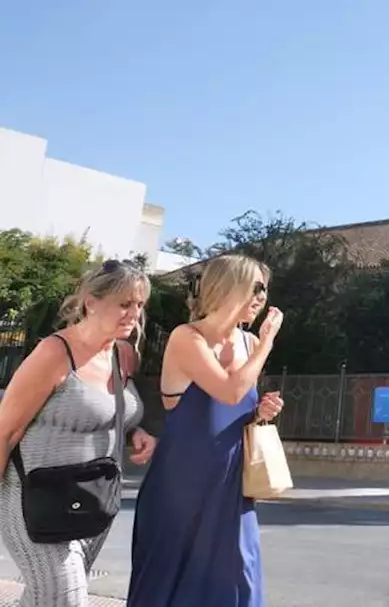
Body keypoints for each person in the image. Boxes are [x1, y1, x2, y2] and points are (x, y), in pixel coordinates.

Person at [128, 254, 285, 607]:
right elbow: (229, 391)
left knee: (239, 578)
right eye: (256, 287)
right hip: (180, 486)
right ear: (228, 287)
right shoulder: (187, 337)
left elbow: (235, 408)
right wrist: (267, 344)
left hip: (231, 485)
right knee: (170, 584)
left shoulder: (247, 343)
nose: (262, 298)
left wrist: (260, 413)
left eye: (265, 290)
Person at [0, 260, 158, 606]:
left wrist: (136, 431)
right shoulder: (54, 353)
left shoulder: (124, 355)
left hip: (92, 498)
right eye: (124, 304)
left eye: (139, 305)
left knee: (46, 598)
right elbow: (6, 430)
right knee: (65, 599)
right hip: (32, 498)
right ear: (91, 301)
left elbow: (107, 409)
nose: (134, 314)